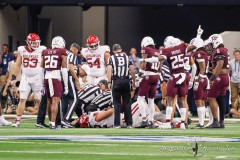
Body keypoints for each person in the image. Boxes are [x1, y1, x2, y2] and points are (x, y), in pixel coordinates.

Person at [141, 26, 203, 129]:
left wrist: (146, 60)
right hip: (183, 75)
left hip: (174, 77)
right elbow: (196, 45)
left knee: (170, 99)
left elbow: (157, 59)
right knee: (183, 99)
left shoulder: (167, 51)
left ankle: (167, 122)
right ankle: (183, 123)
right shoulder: (183, 47)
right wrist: (198, 35)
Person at [11, 33, 46, 127]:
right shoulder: (22, 50)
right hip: (25, 77)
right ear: (28, 42)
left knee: (39, 100)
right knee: (22, 99)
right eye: (34, 43)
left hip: (37, 77)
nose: (36, 44)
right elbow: (18, 64)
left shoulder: (42, 49)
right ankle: (17, 121)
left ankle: (40, 121)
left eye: (37, 43)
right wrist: (14, 77)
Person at [41, 36, 68, 129]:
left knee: (49, 101)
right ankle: (52, 123)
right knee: (55, 101)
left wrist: (41, 84)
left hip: (46, 78)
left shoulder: (45, 52)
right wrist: (66, 85)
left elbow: (41, 69)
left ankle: (51, 122)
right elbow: (64, 69)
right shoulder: (62, 52)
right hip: (55, 78)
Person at [107, 44, 136, 128]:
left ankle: (117, 124)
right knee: (127, 102)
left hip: (116, 81)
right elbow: (132, 70)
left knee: (116, 103)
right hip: (126, 81)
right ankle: (129, 124)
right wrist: (134, 81)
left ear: (114, 51)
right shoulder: (127, 57)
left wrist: (109, 82)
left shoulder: (112, 58)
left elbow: (109, 70)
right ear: (120, 49)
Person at [135, 37, 161, 128]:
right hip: (156, 75)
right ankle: (151, 121)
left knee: (140, 98)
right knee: (151, 100)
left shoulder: (145, 49)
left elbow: (144, 64)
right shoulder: (158, 51)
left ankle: (144, 120)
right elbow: (160, 67)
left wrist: (138, 77)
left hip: (148, 75)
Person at [206, 34, 230, 128]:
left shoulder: (219, 50)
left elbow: (220, 65)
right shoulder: (225, 50)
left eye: (211, 44)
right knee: (221, 98)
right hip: (225, 76)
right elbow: (218, 65)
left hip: (220, 77)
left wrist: (213, 77)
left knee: (211, 98)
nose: (210, 46)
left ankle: (215, 121)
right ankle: (221, 122)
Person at [191, 38, 209, 128]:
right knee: (201, 101)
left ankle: (201, 123)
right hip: (204, 79)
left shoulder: (199, 54)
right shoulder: (203, 53)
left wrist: (197, 81)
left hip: (200, 78)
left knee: (198, 101)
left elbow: (202, 68)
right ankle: (201, 123)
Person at [61, 43, 81, 118]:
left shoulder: (64, 52)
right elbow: (71, 69)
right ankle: (66, 119)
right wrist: (77, 80)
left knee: (65, 99)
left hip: (61, 77)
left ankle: (63, 119)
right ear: (76, 49)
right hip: (68, 76)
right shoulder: (72, 55)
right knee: (75, 99)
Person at [229, 50, 240, 116]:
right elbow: (229, 72)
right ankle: (234, 113)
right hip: (233, 81)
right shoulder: (231, 63)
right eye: (235, 55)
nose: (236, 56)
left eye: (238, 55)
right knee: (233, 97)